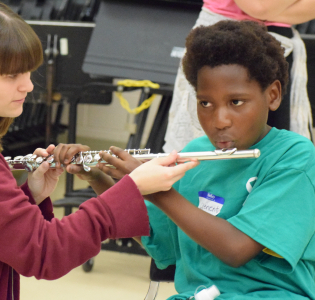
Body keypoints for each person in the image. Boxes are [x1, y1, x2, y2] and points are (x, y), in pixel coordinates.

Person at [0, 1, 200, 299]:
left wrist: (29, 197)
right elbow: (44, 253)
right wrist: (130, 188)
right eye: (11, 76)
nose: (27, 85)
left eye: (27, 72)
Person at [93, 20, 315, 299]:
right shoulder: (194, 154)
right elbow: (160, 243)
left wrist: (157, 190)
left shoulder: (295, 157)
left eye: (236, 102)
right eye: (205, 103)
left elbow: (237, 249)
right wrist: (100, 178)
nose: (219, 121)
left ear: (272, 95)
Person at [164, 0, 315, 153]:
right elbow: (259, 7)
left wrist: (270, 12)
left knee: (276, 156)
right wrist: (268, 12)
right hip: (219, 46)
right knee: (207, 155)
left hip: (280, 45)